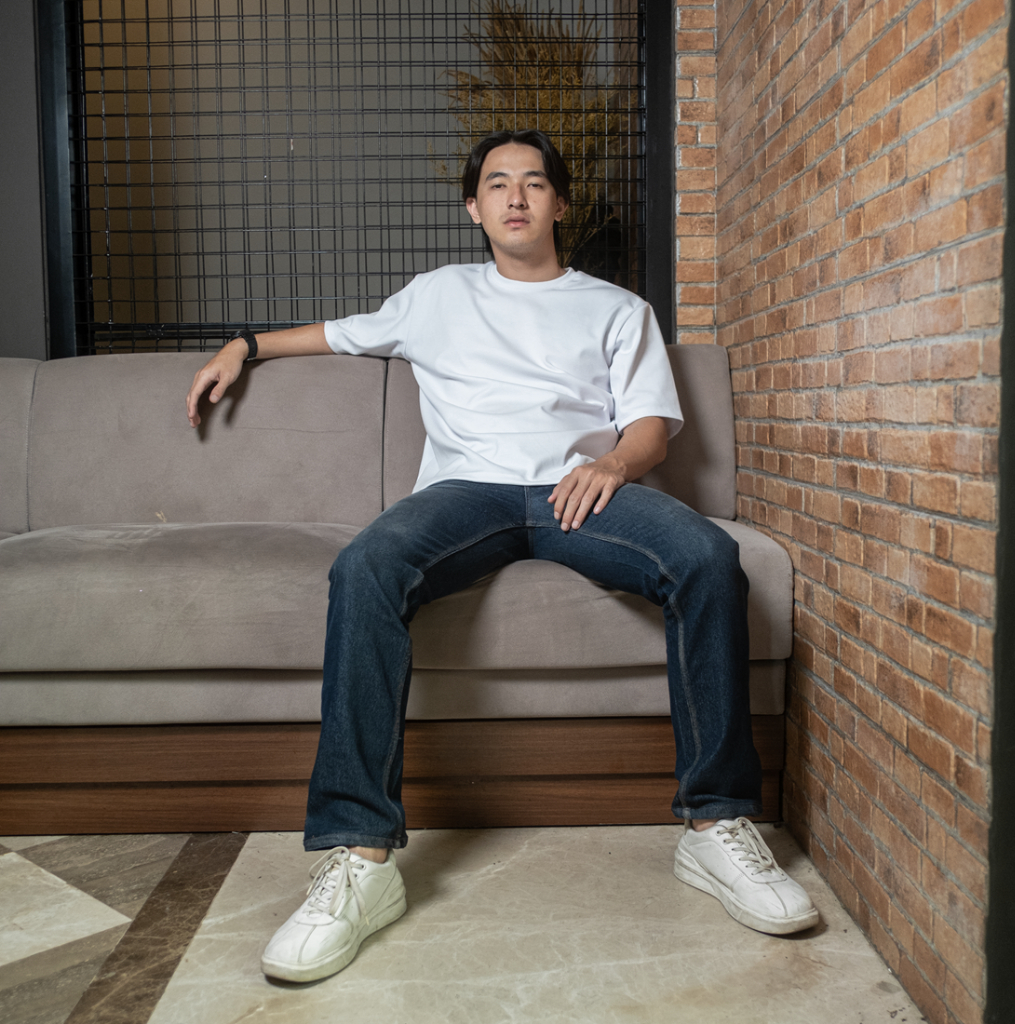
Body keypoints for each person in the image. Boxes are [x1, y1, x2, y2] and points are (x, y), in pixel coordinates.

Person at [186, 129, 818, 983]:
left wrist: (611, 466)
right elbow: (334, 335)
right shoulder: (437, 295)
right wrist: (244, 345)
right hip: (466, 495)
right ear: (474, 208)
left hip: (580, 492)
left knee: (707, 556)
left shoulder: (617, 308)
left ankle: (715, 826)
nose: (515, 196)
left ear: (560, 204)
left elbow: (650, 430)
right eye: (496, 184)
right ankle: (359, 857)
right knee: (366, 565)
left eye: (533, 183)